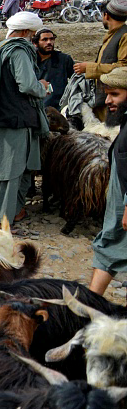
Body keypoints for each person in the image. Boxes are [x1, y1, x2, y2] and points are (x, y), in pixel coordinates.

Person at [0, 11, 49, 228]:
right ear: (25, 32)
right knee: (12, 171)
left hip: (0, 117)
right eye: (32, 34)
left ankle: (10, 212)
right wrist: (43, 88)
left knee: (3, 170)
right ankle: (3, 220)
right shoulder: (19, 50)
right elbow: (28, 85)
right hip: (16, 120)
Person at [88, 67, 127, 294]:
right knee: (108, 248)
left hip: (123, 206)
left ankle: (88, 305)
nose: (108, 100)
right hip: (118, 206)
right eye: (107, 94)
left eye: (115, 94)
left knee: (108, 248)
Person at [74, 0, 127, 81]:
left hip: (116, 92)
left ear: (106, 16)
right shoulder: (113, 34)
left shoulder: (125, 36)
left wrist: (89, 68)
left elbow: (123, 68)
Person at [32, 28, 73, 110]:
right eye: (45, 40)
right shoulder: (30, 60)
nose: (49, 42)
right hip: (35, 108)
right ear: (35, 43)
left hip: (59, 108)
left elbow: (75, 79)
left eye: (51, 39)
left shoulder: (64, 59)